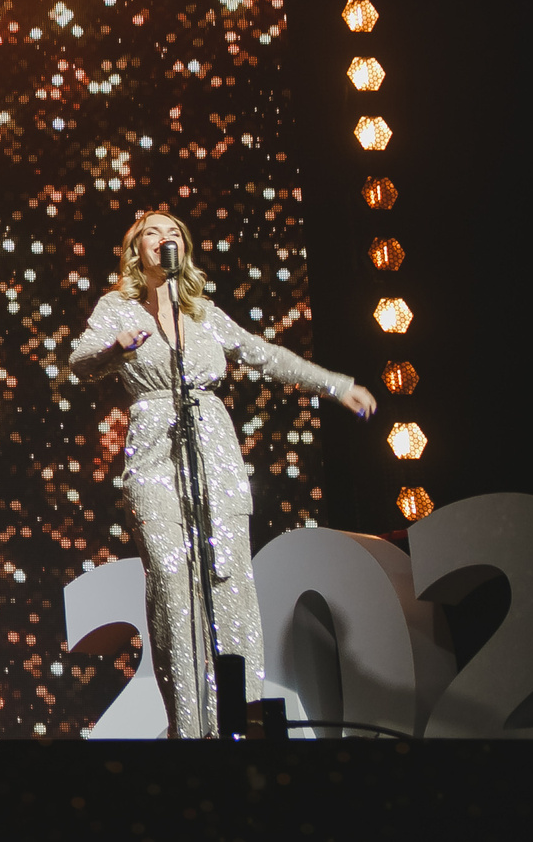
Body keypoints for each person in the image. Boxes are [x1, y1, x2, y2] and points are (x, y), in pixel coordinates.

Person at [68, 209, 375, 738]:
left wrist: (333, 384)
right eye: (152, 233)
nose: (164, 239)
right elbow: (78, 361)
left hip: (213, 444)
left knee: (228, 582)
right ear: (135, 249)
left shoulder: (203, 312)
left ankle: (239, 720)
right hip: (153, 447)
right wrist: (115, 347)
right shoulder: (116, 307)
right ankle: (189, 730)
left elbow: (264, 355)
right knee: (171, 581)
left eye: (173, 233)